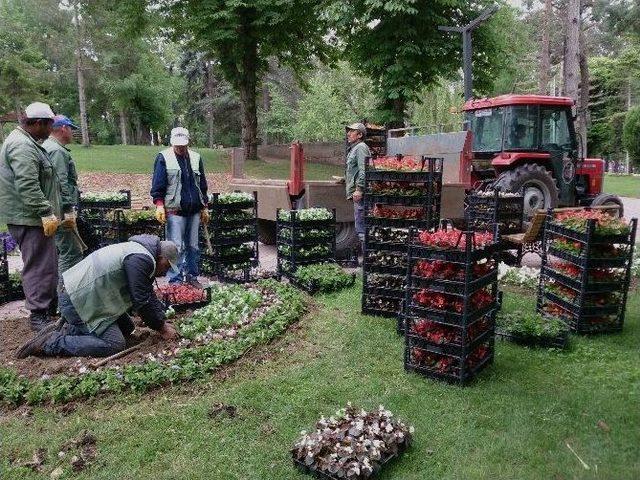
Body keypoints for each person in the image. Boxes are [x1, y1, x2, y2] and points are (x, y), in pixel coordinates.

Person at [16, 235, 180, 359]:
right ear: (160, 257)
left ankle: (70, 329)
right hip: (76, 301)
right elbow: (141, 298)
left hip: (81, 295)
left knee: (127, 328)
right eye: (167, 266)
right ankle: (51, 344)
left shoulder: (138, 251)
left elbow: (145, 293)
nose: (166, 272)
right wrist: (162, 327)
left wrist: (159, 319)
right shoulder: (141, 259)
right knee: (114, 344)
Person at [0, 102, 63, 331]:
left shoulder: (28, 143)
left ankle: (46, 311)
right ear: (37, 123)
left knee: (46, 264)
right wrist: (46, 212)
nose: (50, 130)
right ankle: (39, 316)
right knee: (39, 266)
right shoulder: (22, 146)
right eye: (48, 126)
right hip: (29, 218)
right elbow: (27, 185)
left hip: (31, 217)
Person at [150, 127, 209, 287]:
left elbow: (202, 184)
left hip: (194, 210)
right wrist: (159, 205)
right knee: (176, 248)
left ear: (188, 142)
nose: (180, 148)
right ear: (172, 142)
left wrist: (204, 206)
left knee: (193, 246)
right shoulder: (164, 157)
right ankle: (175, 281)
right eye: (177, 145)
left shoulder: (196, 158)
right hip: (174, 211)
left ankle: (192, 277)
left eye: (183, 145)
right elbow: (158, 184)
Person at [43, 115, 85, 276]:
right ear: (63, 128)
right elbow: (60, 183)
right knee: (72, 253)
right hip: (59, 211)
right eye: (71, 129)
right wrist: (68, 211)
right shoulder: (57, 151)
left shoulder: (47, 147)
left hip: (53, 210)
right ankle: (66, 297)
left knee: (59, 253)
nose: (72, 133)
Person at [345, 122, 371, 243]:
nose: (348, 133)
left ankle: (366, 260)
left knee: (361, 228)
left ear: (360, 134)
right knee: (360, 226)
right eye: (348, 131)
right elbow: (355, 170)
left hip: (361, 195)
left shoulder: (361, 148)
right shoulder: (355, 148)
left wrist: (359, 189)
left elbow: (364, 169)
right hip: (357, 194)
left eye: (352, 131)